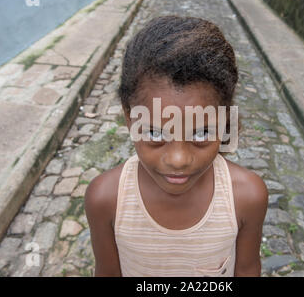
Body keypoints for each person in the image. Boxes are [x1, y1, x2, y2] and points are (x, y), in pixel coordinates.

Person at [85, 15, 268, 277]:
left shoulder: (247, 197)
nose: (179, 159)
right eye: (155, 132)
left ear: (226, 119)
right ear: (129, 117)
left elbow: (248, 269)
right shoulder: (105, 200)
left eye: (202, 133)